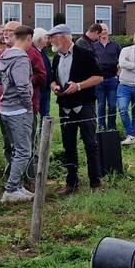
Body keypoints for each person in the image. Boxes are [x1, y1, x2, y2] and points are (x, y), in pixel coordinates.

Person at [47, 24, 103, 193]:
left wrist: (78, 86)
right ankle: (71, 183)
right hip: (65, 106)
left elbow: (99, 77)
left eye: (53, 37)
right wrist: (54, 87)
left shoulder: (84, 54)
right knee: (68, 146)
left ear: (64, 37)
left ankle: (95, 183)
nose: (50, 41)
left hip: (84, 105)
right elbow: (51, 79)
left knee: (90, 144)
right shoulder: (56, 58)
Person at [0, 25, 36, 204]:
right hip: (18, 109)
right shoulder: (20, 58)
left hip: (5, 107)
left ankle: (18, 185)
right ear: (28, 37)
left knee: (14, 150)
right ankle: (11, 189)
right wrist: (28, 106)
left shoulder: (4, 55)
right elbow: (22, 85)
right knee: (23, 151)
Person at [92, 23, 122, 132]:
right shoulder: (94, 46)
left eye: (105, 29)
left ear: (108, 31)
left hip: (112, 80)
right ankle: (101, 126)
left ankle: (111, 127)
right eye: (101, 29)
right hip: (99, 80)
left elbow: (121, 62)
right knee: (100, 105)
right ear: (98, 32)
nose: (103, 31)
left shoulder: (116, 45)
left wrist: (117, 75)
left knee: (112, 105)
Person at [117, 27, 135, 145]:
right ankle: (130, 134)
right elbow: (122, 63)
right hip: (124, 85)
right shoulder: (125, 50)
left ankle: (134, 137)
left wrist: (129, 65)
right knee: (122, 109)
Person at [32, 28, 53, 125]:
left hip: (45, 88)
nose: (47, 41)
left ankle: (43, 137)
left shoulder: (42, 51)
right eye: (45, 38)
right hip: (37, 88)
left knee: (45, 114)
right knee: (34, 113)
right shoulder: (32, 52)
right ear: (39, 39)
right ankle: (34, 138)